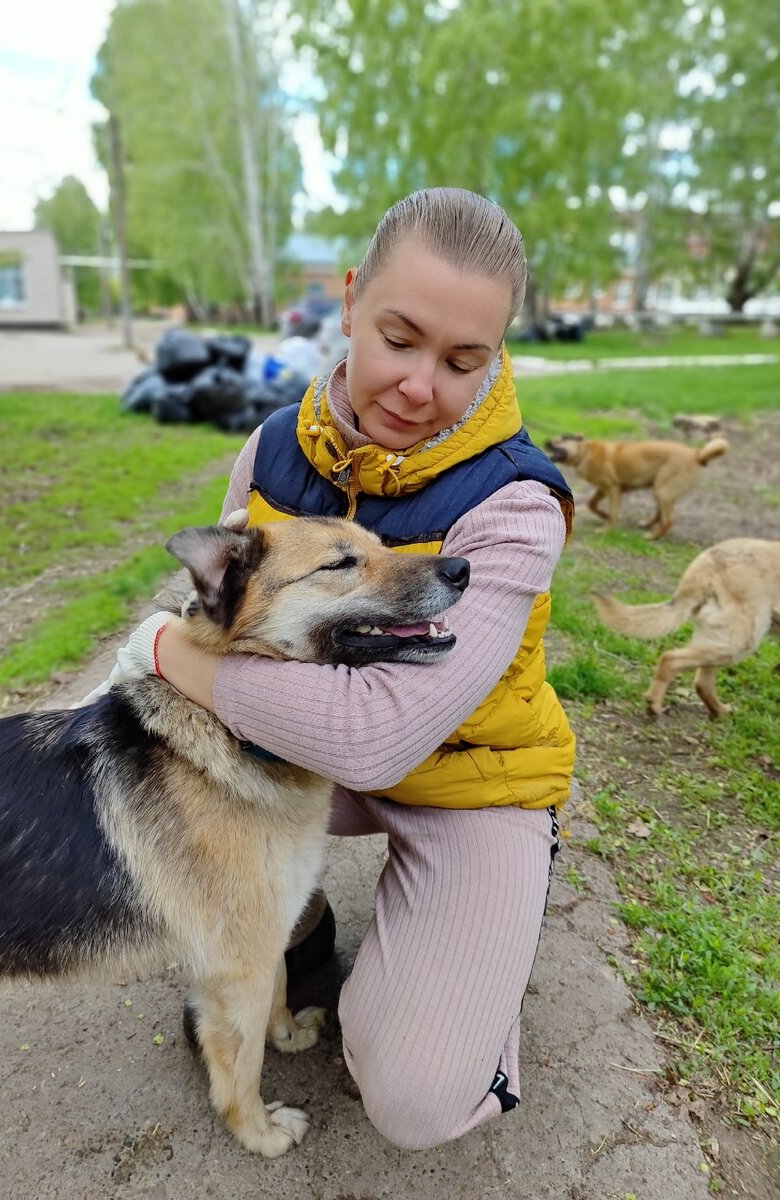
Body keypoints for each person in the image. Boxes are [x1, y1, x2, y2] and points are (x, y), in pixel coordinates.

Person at [91, 187, 575, 1151]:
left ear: (496, 357)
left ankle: (476, 995)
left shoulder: (518, 504)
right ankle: (298, 930)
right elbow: (222, 617)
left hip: (472, 777)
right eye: (399, 337)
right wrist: (184, 650)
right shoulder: (274, 448)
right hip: (306, 762)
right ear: (350, 302)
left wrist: (158, 648)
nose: (418, 385)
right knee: (167, 805)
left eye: (462, 361)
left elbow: (380, 734)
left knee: (413, 1099)